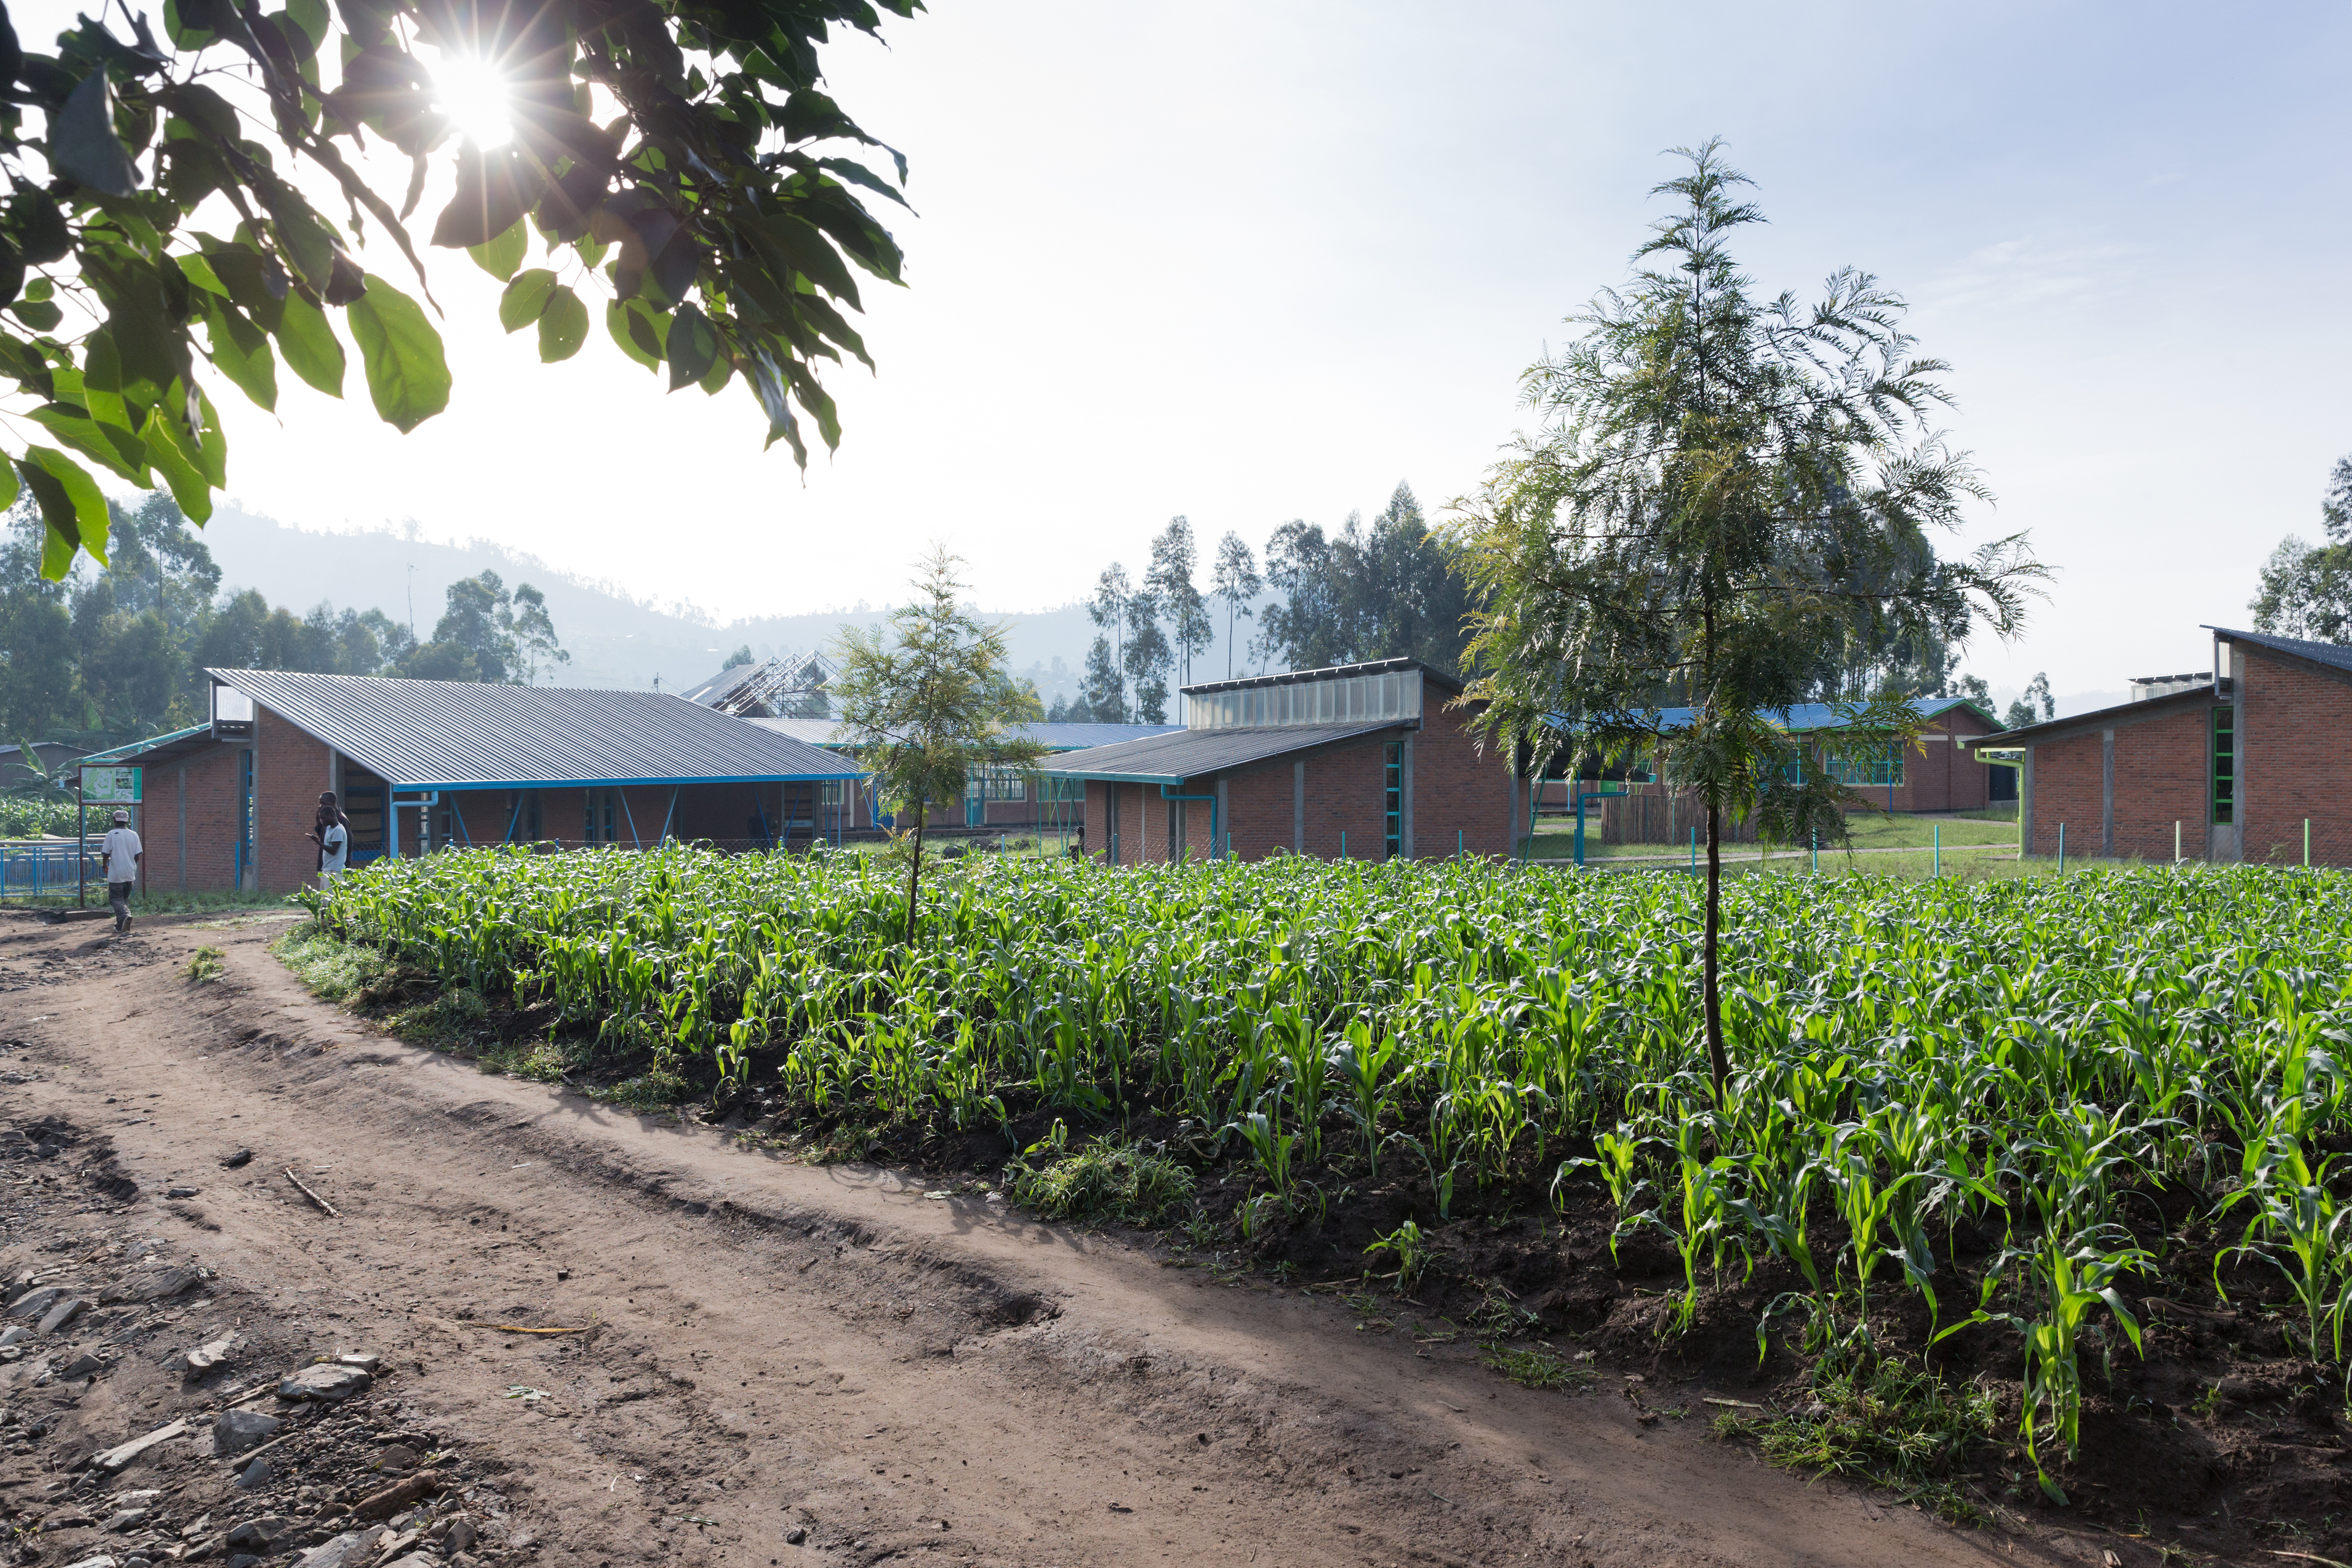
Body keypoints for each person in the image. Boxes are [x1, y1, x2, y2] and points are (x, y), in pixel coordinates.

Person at [101, 809, 142, 935]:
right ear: (127, 821)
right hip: (130, 872)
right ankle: (120, 926)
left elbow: (106, 854)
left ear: (114, 820)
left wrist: (105, 866)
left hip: (116, 873)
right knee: (124, 899)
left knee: (115, 899)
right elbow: (138, 855)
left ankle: (125, 916)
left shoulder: (112, 834)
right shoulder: (134, 835)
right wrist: (132, 866)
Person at [306, 792, 351, 882]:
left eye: (324, 803)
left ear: (333, 802)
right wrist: (318, 819)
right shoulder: (328, 823)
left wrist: (344, 864)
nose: (321, 806)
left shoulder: (341, 820)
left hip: (336, 868)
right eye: (320, 803)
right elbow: (324, 838)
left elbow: (348, 843)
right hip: (327, 866)